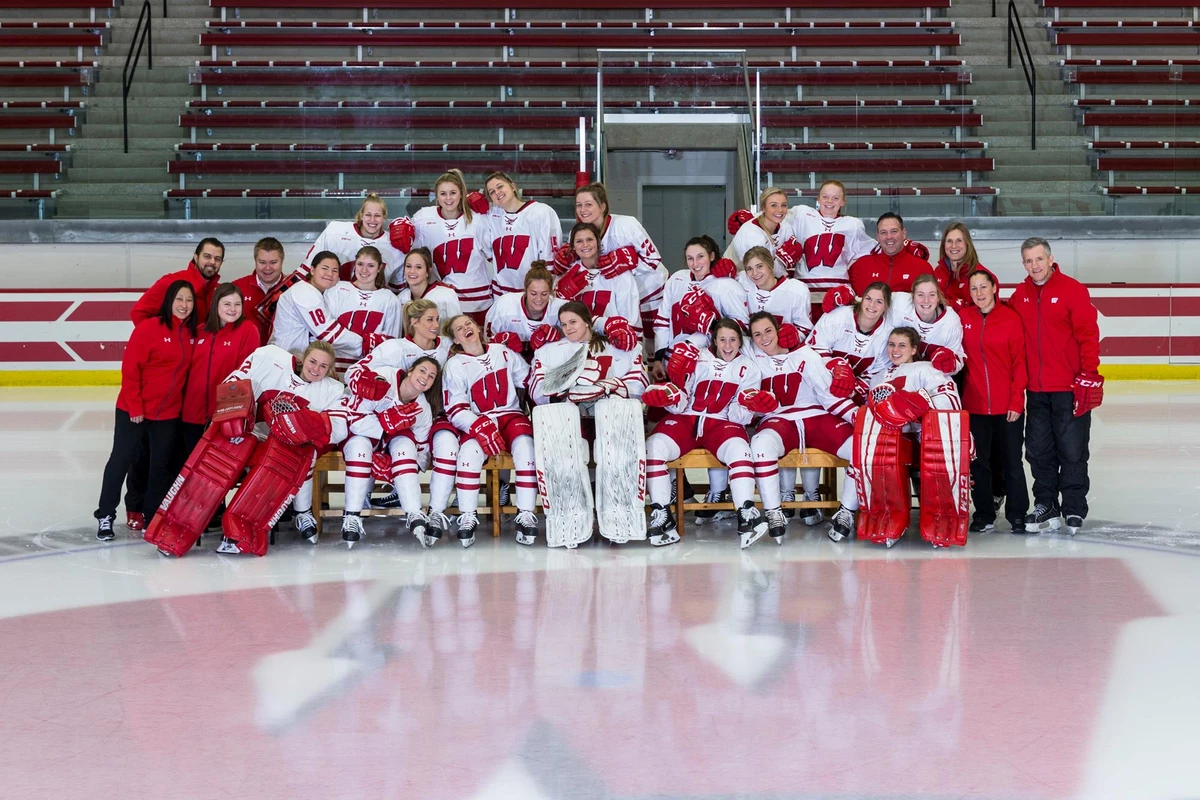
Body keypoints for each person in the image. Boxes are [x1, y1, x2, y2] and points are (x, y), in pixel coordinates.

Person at [643, 319, 766, 548]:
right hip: (687, 417)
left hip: (721, 422)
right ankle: (662, 514)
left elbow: (738, 416)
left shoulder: (749, 368)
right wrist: (669, 397)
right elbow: (682, 398)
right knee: (653, 446)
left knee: (740, 450)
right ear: (714, 341)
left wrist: (750, 405)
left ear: (740, 341)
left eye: (732, 339)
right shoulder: (698, 358)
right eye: (722, 339)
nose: (727, 345)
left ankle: (747, 513)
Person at [216, 341, 348, 551]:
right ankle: (227, 521)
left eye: (323, 366)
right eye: (313, 362)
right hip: (256, 435)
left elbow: (339, 429)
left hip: (295, 447)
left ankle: (301, 512)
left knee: (302, 456)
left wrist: (303, 424)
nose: (316, 369)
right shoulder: (270, 359)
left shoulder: (333, 389)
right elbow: (233, 384)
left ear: (330, 368)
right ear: (303, 358)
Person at [1010, 237, 1102, 535]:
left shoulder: (1072, 290)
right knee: (1038, 451)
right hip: (1036, 391)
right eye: (1028, 260)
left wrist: (1088, 373)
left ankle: (1074, 506)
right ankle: (1046, 504)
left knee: (1072, 450)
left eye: (1038, 259)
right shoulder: (1020, 295)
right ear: (1023, 264)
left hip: (1068, 387)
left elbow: (1088, 335)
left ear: (1050, 259)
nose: (1034, 265)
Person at [94, 280, 196, 539]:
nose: (184, 305)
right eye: (179, 299)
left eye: (189, 300)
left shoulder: (190, 333)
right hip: (133, 410)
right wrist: (136, 407)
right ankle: (105, 514)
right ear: (169, 301)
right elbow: (130, 370)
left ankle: (152, 515)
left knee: (160, 467)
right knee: (121, 460)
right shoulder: (149, 328)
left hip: (168, 414)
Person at [345, 299, 457, 533]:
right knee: (361, 447)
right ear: (414, 322)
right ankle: (355, 508)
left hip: (425, 416)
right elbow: (355, 372)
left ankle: (428, 511)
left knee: (424, 448)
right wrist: (366, 385)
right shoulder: (393, 348)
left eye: (437, 319)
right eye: (429, 319)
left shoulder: (446, 345)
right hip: (381, 413)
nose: (436, 324)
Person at [745, 312, 858, 543]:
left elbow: (829, 396)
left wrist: (856, 417)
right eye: (757, 334)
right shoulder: (750, 358)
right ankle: (774, 511)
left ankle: (846, 511)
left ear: (779, 330)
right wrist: (754, 407)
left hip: (816, 416)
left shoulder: (804, 354)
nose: (764, 338)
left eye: (768, 331)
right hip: (779, 420)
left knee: (860, 447)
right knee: (760, 445)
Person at [845, 326, 963, 546]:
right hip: (893, 438)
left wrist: (923, 404)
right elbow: (870, 411)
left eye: (902, 345)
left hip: (924, 436)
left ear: (913, 349)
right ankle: (887, 514)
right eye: (891, 344)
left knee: (940, 447)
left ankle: (941, 516)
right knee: (875, 446)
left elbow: (951, 402)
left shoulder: (926, 369)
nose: (895, 350)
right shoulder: (879, 376)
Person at [442, 314, 539, 547]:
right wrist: (476, 424)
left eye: (468, 324)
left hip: (511, 415)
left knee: (527, 448)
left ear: (476, 327)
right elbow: (454, 407)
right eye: (459, 328)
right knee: (468, 453)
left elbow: (529, 380)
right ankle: (468, 515)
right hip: (479, 418)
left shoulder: (502, 351)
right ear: (455, 339)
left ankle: (525, 514)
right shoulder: (455, 365)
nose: (466, 328)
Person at [337, 356, 442, 548]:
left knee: (405, 447)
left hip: (387, 440)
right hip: (357, 430)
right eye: (422, 371)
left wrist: (394, 474)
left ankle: (414, 512)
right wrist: (385, 422)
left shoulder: (422, 409)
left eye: (431, 376)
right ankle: (351, 515)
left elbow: (422, 449)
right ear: (410, 370)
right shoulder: (384, 377)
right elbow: (354, 419)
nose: (425, 378)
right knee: (360, 450)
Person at [960, 268, 1029, 534]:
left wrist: (1015, 401)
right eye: (974, 288)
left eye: (983, 287)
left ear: (994, 288)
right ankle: (984, 514)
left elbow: (1020, 363)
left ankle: (1017, 514)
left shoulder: (1010, 319)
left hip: (1007, 408)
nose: (979, 293)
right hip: (975, 407)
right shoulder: (963, 318)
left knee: (1012, 462)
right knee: (979, 464)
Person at [392, 168, 493, 323]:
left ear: (461, 194)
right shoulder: (423, 219)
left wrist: (491, 208)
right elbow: (403, 240)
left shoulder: (477, 220)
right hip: (439, 303)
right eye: (443, 194)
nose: (448, 198)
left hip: (477, 303)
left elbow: (495, 254)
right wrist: (398, 224)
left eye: (453, 193)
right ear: (436, 196)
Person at [569, 182, 666, 333]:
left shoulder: (626, 225)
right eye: (579, 205)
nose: (582, 210)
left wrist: (628, 264)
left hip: (651, 289)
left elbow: (653, 259)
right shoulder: (577, 233)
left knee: (652, 341)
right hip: (620, 292)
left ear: (603, 206)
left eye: (588, 204)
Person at [651, 235, 748, 381]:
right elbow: (663, 321)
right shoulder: (677, 279)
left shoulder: (726, 285)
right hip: (670, 361)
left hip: (705, 365)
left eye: (700, 256)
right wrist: (659, 358)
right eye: (690, 258)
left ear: (712, 256)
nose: (695, 263)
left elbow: (743, 328)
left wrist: (714, 325)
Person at [180, 283, 261, 457]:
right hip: (192, 413)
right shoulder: (200, 331)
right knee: (189, 463)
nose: (232, 309)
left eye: (237, 304)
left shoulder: (248, 330)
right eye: (227, 304)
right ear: (216, 304)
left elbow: (247, 374)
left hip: (224, 416)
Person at [529, 302, 648, 409]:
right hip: (567, 417)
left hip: (613, 413)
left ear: (587, 322)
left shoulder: (617, 347)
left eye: (573, 322)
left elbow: (639, 386)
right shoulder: (548, 350)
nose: (568, 328)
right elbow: (537, 390)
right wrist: (564, 395)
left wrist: (614, 388)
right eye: (563, 324)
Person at [784, 180, 876, 307]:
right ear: (818, 199)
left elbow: (876, 248)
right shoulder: (802, 215)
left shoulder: (852, 225)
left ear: (843, 202)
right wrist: (753, 219)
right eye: (825, 196)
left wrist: (906, 244)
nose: (829, 201)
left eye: (835, 198)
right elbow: (774, 217)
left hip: (838, 294)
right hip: (804, 293)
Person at [552, 222, 642, 345]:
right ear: (572, 246)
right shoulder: (566, 275)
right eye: (579, 241)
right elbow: (558, 321)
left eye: (590, 239)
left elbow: (631, 319)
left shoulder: (619, 274)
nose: (585, 245)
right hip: (576, 344)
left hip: (611, 343)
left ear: (598, 242)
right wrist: (561, 299)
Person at [478, 171, 562, 298]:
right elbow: (488, 251)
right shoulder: (492, 217)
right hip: (502, 294)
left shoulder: (541, 212)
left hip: (535, 294)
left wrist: (544, 289)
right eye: (492, 192)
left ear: (513, 186)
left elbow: (549, 256)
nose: (497, 192)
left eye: (500, 186)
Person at [324, 245, 403, 375]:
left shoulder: (390, 300)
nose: (364, 270)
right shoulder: (336, 290)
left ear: (379, 268)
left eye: (371, 265)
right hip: (333, 368)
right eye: (360, 264)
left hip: (368, 371)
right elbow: (326, 331)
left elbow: (390, 344)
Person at [269, 250, 355, 361]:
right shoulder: (303, 291)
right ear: (312, 270)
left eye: (335, 270)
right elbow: (328, 333)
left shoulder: (322, 293)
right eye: (325, 268)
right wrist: (364, 344)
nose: (329, 274)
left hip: (297, 362)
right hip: (283, 361)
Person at [303, 193, 404, 282]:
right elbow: (307, 270)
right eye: (368, 215)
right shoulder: (335, 232)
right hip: (335, 298)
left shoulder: (394, 245)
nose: (372, 220)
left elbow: (397, 289)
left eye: (377, 215)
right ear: (361, 215)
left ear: (384, 217)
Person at [807, 281, 894, 383]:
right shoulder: (838, 316)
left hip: (853, 390)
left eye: (879, 302)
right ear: (862, 300)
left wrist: (854, 391)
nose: (872, 305)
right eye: (868, 298)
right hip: (819, 379)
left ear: (886, 306)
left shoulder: (887, 335)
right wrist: (834, 369)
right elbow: (813, 350)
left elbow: (878, 373)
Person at [130, 238, 225, 325]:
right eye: (207, 256)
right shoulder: (171, 281)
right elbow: (138, 313)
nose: (212, 262)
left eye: (217, 259)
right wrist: (162, 339)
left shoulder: (219, 291)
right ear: (196, 258)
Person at [847, 212, 943, 297]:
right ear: (878, 237)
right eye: (883, 232)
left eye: (894, 231)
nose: (889, 237)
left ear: (904, 233)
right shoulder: (860, 267)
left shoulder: (923, 268)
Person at [887, 274, 965, 376]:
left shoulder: (951, 322)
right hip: (896, 372)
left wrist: (951, 363)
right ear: (912, 296)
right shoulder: (899, 303)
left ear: (938, 297)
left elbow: (959, 357)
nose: (926, 300)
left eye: (932, 295)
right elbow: (874, 298)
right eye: (920, 294)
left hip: (931, 377)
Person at [484, 263, 566, 354]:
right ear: (525, 290)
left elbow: (579, 336)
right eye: (533, 293)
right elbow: (487, 341)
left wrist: (560, 336)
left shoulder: (561, 309)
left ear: (550, 292)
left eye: (544, 294)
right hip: (511, 361)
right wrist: (499, 341)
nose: (539, 299)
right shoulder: (504, 307)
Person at [741, 245, 813, 339]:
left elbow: (805, 329)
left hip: (784, 351)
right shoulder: (742, 286)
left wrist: (789, 340)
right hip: (753, 349)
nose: (755, 273)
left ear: (770, 266)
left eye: (759, 266)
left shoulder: (796, 290)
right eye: (749, 269)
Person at [725, 186, 796, 279]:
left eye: (784, 205)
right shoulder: (751, 234)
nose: (780, 210)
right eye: (773, 205)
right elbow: (759, 272)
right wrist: (782, 261)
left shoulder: (784, 226)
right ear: (763, 208)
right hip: (740, 279)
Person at [232, 237, 286, 345]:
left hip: (283, 356)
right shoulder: (236, 288)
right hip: (246, 356)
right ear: (255, 261)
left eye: (273, 262)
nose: (267, 268)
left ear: (282, 261)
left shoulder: (294, 289)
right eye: (262, 262)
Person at [395, 246, 462, 326]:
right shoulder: (400, 299)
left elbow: (458, 327)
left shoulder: (446, 295)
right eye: (408, 266)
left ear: (428, 271)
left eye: (418, 267)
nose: (412, 271)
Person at [938, 222, 995, 309]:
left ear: (967, 244)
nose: (953, 246)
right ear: (943, 245)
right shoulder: (938, 272)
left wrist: (945, 303)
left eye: (959, 241)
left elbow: (981, 312)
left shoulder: (982, 275)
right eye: (949, 241)